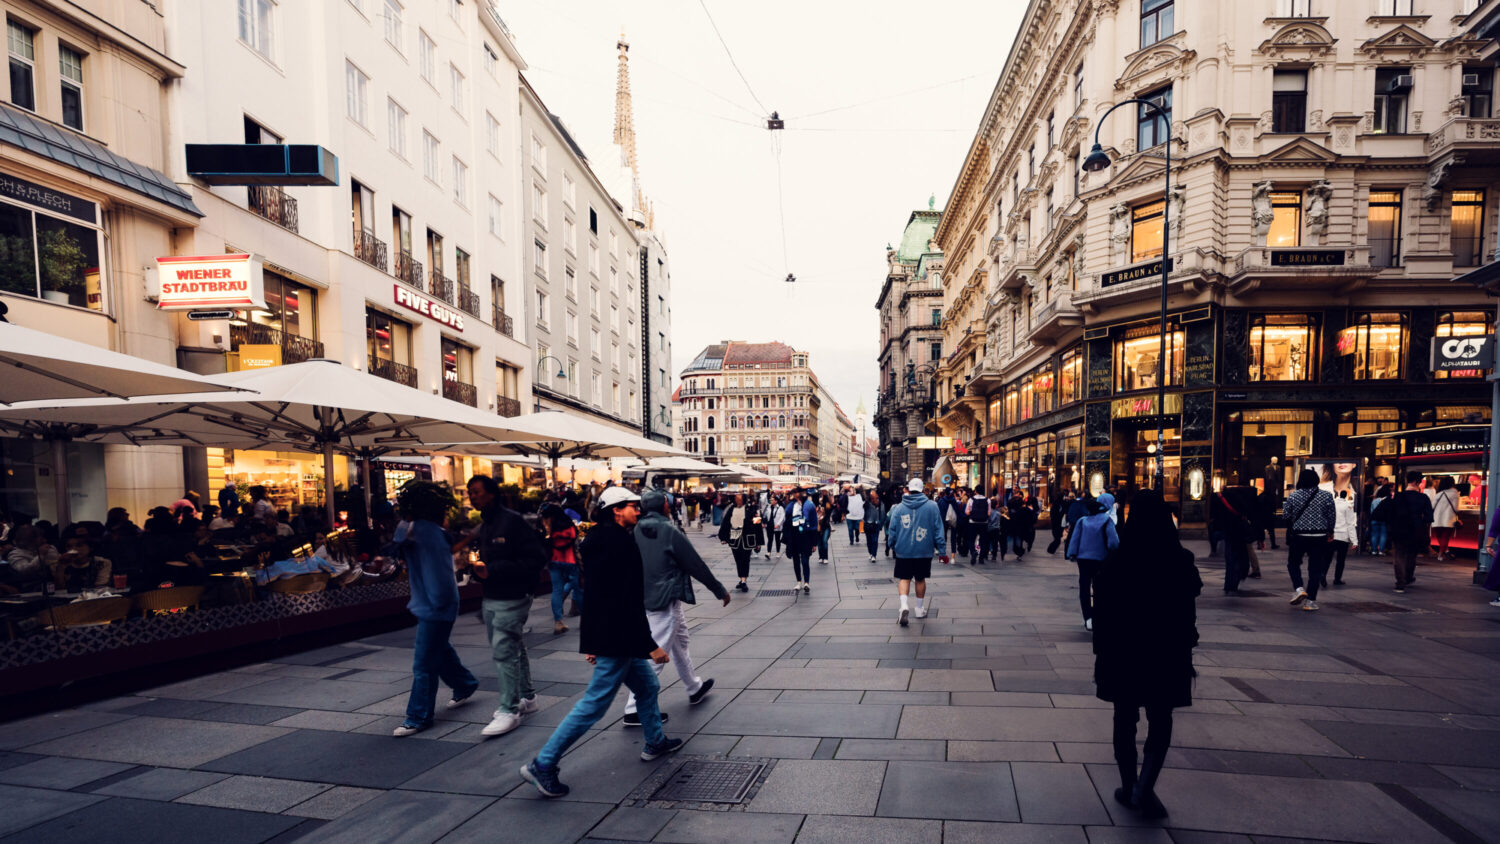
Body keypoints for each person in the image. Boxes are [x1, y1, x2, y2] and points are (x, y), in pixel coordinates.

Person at [520, 486, 683, 798]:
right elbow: (624, 600)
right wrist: (649, 644)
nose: (638, 510)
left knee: (647, 687)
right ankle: (543, 763)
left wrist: (592, 640)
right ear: (615, 510)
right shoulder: (618, 543)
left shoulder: (599, 539)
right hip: (619, 636)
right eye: (632, 506)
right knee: (593, 705)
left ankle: (655, 741)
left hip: (611, 633)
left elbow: (596, 594)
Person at [1092, 489, 1201, 821]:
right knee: (1161, 718)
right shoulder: (1180, 560)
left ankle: (1129, 785)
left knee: (1124, 719)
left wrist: (1101, 653)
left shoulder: (1116, 562)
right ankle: (1145, 788)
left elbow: (1103, 617)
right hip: (1166, 654)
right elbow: (1188, 613)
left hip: (1124, 654)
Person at [626, 488, 730, 723]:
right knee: (658, 649)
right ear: (663, 505)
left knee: (680, 641)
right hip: (665, 595)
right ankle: (634, 706)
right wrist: (718, 589)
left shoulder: (636, 529)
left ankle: (694, 687)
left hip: (646, 593)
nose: (668, 504)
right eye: (666, 502)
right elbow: (694, 563)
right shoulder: (668, 530)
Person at [389, 481, 479, 737]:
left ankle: (418, 716)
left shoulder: (425, 532)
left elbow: (438, 574)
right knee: (439, 651)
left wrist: (437, 604)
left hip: (436, 605)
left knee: (424, 663)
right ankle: (465, 684)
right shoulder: (416, 529)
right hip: (433, 603)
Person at [464, 474, 549, 738]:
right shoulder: (487, 523)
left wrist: (492, 570)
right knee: (513, 646)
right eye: (470, 492)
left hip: (511, 596)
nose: (472, 496)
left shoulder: (511, 521)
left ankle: (509, 710)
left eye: (477, 491)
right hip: (493, 595)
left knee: (504, 651)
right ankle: (527, 697)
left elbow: (536, 559)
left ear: (492, 493)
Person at [885, 478, 944, 627]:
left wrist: (892, 544)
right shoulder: (932, 506)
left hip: (903, 550)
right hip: (924, 550)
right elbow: (938, 529)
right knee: (920, 579)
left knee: (904, 578)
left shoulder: (898, 508)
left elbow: (892, 529)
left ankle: (904, 605)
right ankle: (919, 609)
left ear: (908, 490)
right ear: (923, 489)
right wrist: (942, 550)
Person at [1283, 468, 1336, 611]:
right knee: (1315, 568)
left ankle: (1299, 588)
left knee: (1293, 563)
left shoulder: (1294, 496)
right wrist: (1330, 531)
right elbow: (1331, 516)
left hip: (1299, 535)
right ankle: (1310, 601)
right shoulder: (1326, 496)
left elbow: (1286, 516)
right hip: (1319, 536)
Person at [1067, 492, 1118, 631]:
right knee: (1099, 587)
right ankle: (1097, 614)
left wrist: (1072, 553)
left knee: (1084, 587)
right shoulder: (1107, 521)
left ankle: (1088, 617)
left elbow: (1075, 539)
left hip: (1083, 559)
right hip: (1100, 559)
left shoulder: (1082, 521)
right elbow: (1114, 542)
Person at [1375, 471, 1433, 594]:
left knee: (1399, 555)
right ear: (1417, 482)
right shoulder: (1423, 498)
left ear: (1407, 481)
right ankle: (1408, 577)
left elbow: (1384, 512)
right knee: (1411, 555)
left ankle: (1400, 582)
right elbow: (1429, 518)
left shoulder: (1397, 496)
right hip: (1416, 530)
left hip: (1399, 530)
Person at [541, 504, 581, 635]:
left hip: (554, 561)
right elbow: (575, 536)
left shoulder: (548, 525)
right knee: (578, 589)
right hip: (570, 561)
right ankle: (584, 620)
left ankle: (558, 622)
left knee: (557, 591)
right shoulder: (568, 524)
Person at [719, 491, 762, 593]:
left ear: (743, 499)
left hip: (747, 538)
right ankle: (741, 578)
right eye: (736, 499)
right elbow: (725, 523)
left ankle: (744, 581)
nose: (737, 501)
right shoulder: (731, 509)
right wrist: (723, 537)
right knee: (738, 559)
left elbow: (758, 524)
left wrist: (758, 542)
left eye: (739, 499)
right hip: (735, 537)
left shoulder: (752, 508)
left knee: (745, 559)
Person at [785, 487, 817, 593]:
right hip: (794, 536)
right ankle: (799, 582)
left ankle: (806, 583)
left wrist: (814, 542)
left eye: (797, 493)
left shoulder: (808, 504)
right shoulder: (791, 506)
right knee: (795, 560)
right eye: (794, 493)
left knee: (804, 560)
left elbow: (813, 524)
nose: (795, 495)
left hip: (805, 536)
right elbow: (787, 519)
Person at [1330, 489, 1357, 586]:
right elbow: (1350, 524)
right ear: (1345, 496)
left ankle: (1323, 575)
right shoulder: (1348, 505)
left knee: (1327, 558)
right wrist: (1354, 541)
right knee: (1340, 560)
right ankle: (1337, 579)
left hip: (1331, 535)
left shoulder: (1332, 504)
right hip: (1343, 537)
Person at [1430, 476, 1461, 561]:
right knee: (1445, 537)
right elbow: (1456, 508)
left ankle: (1445, 552)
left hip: (1436, 518)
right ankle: (1441, 554)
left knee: (1439, 537)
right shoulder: (1455, 494)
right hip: (1448, 519)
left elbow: (1432, 506)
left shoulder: (1439, 494)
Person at [965, 490, 990, 563]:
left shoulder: (971, 499)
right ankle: (981, 558)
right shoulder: (987, 500)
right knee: (983, 541)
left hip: (973, 522)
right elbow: (989, 513)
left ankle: (973, 552)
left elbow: (966, 512)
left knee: (971, 540)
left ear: (976, 491)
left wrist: (972, 513)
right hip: (984, 523)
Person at [1369, 483, 1393, 556]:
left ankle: (1374, 550)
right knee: (1383, 535)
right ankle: (1381, 551)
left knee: (1374, 534)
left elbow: (1371, 511)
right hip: (1384, 520)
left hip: (1374, 519)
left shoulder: (1375, 501)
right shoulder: (1388, 501)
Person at [862, 489, 884, 563]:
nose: (873, 496)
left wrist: (880, 524)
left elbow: (883, 514)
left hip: (876, 524)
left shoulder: (880, 504)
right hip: (868, 524)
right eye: (871, 495)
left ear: (877, 495)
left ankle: (874, 555)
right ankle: (870, 552)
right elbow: (863, 512)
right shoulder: (867, 504)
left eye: (874, 494)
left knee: (875, 540)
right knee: (869, 541)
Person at [816, 493, 832, 564]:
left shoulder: (827, 507)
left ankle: (825, 557)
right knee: (819, 543)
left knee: (824, 541)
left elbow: (829, 509)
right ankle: (821, 557)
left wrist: (825, 510)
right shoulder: (816, 507)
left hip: (825, 526)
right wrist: (816, 511)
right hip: (818, 527)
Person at [769, 494, 786, 558]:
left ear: (776, 501)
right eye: (770, 500)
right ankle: (768, 552)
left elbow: (782, 517)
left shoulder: (780, 508)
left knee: (777, 539)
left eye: (772, 500)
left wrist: (778, 524)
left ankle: (778, 552)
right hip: (770, 526)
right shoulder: (769, 507)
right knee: (770, 539)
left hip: (777, 527)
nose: (771, 501)